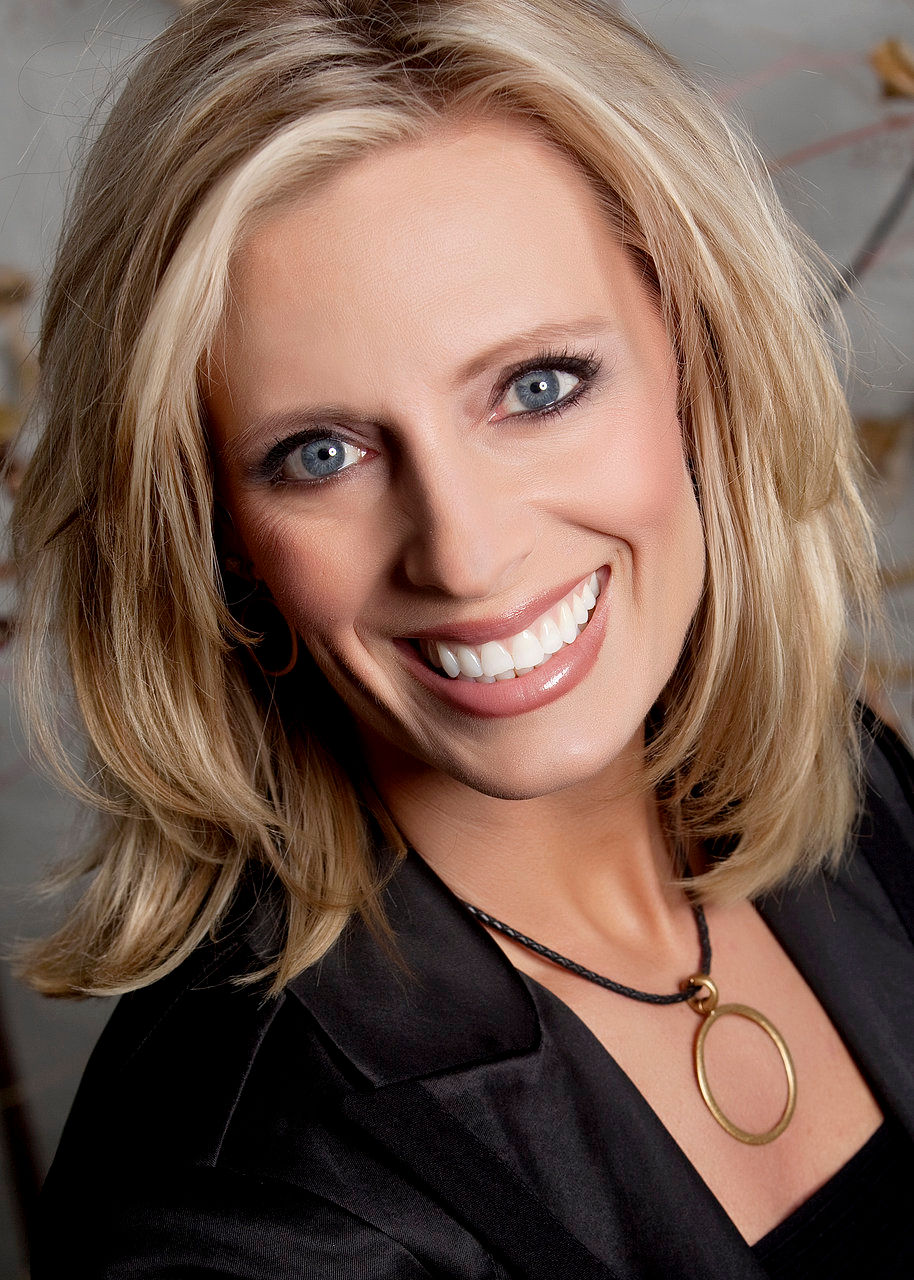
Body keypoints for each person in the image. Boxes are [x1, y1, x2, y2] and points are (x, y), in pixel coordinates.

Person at [12, 0, 914, 1274]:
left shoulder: (844, 767)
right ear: (218, 533)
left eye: (537, 386)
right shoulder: (238, 1214)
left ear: (697, 358)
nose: (463, 553)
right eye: (318, 454)